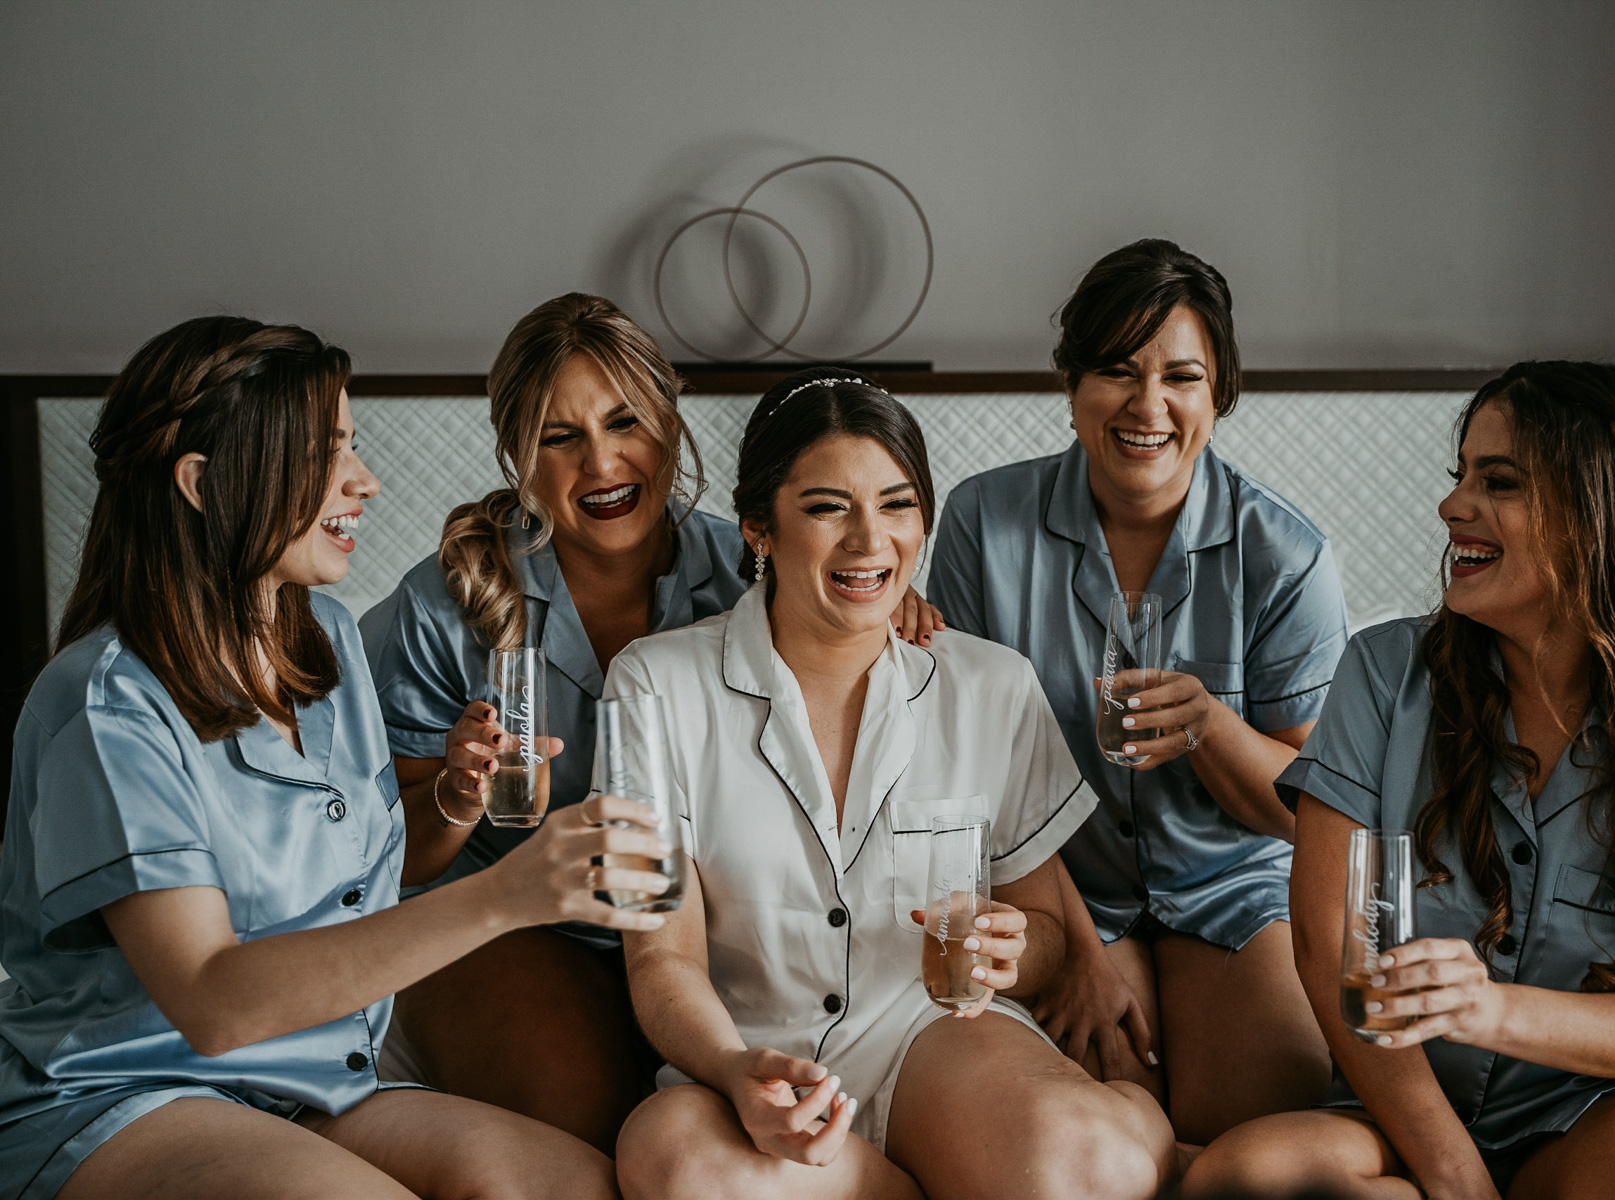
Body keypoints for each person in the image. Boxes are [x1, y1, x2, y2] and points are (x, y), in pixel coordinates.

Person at [0, 316, 669, 1200]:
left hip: (315, 1080)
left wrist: (452, 803)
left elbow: (380, 878)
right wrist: (507, 893)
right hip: (133, 1093)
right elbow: (214, 1001)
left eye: (351, 447)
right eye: (326, 454)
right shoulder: (109, 703)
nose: (365, 480)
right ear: (203, 483)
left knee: (577, 1186)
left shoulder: (327, 643)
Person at [1186, 361, 1615, 1200]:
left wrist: (1488, 1010)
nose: (1451, 507)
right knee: (1245, 1180)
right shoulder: (1382, 674)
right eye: (1461, 476)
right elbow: (1333, 952)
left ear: (1600, 511)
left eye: (1498, 481)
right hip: (1414, 1105)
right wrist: (1454, 1175)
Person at [360, 294, 942, 1150]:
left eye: (625, 422)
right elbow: (393, 860)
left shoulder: (754, 566)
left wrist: (874, 594)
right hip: (512, 917)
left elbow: (857, 590)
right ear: (521, 454)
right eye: (560, 437)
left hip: (707, 923)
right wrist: (455, 794)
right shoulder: (442, 608)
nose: (601, 461)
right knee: (591, 1125)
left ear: (670, 423)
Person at [606, 369, 1177, 1200]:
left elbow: (1046, 930)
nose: (870, 541)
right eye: (828, 506)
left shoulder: (991, 686)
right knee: (679, 1165)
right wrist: (734, 1070)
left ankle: (1086, 1133)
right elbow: (663, 959)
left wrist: (1015, 947)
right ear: (759, 527)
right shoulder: (655, 686)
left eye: (898, 505)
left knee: (1093, 1167)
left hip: (936, 1037)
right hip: (752, 1055)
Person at [927, 239, 1343, 1140]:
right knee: (1102, 1130)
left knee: (1261, 1131)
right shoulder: (981, 522)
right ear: (1071, 384)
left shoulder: (1288, 558)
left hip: (1234, 886)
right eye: (1116, 370)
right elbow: (972, 770)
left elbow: (1307, 812)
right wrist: (1077, 950)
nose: (1148, 406)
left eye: (1182, 377)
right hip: (1059, 881)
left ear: (1219, 393)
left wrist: (1210, 726)